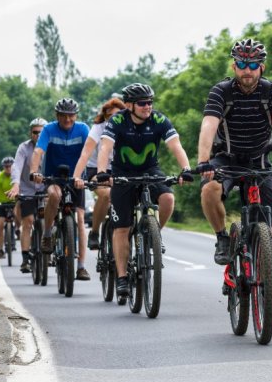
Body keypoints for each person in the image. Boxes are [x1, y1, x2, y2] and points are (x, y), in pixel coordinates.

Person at [96, 83, 192, 298]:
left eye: (150, 102)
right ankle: (121, 278)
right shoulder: (118, 120)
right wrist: (103, 171)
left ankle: (154, 234)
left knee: (167, 197)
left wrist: (186, 169)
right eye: (142, 103)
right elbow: (105, 147)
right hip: (123, 172)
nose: (147, 106)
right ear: (129, 105)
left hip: (150, 169)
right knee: (122, 227)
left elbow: (176, 145)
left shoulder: (158, 120)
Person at [197, 38, 272, 270]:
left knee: (269, 230)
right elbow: (208, 125)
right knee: (209, 188)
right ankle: (222, 237)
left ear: (261, 67)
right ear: (234, 67)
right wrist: (204, 161)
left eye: (253, 65)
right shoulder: (222, 91)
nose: (247, 70)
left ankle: (268, 286)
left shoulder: (271, 91)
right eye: (242, 65)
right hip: (227, 158)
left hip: (259, 159)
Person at [30, 98, 91, 281]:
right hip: (53, 176)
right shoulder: (48, 129)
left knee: (80, 219)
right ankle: (48, 234)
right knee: (54, 196)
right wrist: (34, 171)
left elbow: (89, 152)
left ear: (76, 115)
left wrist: (87, 176)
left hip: (76, 178)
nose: (67, 119)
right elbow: (38, 152)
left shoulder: (82, 129)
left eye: (71, 115)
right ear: (57, 116)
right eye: (63, 116)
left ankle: (81, 267)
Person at [73, 97, 126, 250]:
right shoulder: (98, 128)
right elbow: (85, 153)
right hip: (96, 169)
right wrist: (76, 176)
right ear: (104, 117)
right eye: (109, 117)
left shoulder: (128, 127)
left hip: (119, 169)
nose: (113, 120)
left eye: (117, 116)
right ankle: (95, 232)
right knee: (106, 194)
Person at [7, 118, 47, 273]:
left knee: (51, 219)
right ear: (30, 133)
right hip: (27, 188)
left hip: (46, 187)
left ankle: (54, 246)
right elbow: (16, 166)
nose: (38, 135)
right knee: (28, 221)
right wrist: (15, 185)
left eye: (41, 132)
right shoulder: (23, 147)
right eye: (35, 132)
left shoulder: (51, 146)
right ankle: (25, 259)